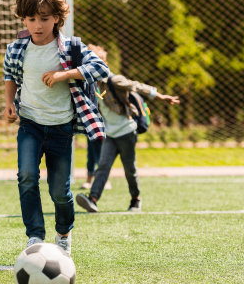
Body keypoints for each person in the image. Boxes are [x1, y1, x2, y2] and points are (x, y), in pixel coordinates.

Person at [3, 0, 110, 255]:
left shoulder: (71, 47)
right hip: (30, 124)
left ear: (57, 18)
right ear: (24, 19)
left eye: (44, 18)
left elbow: (100, 68)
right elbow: (9, 75)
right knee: (26, 176)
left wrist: (65, 74)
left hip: (61, 127)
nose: (37, 25)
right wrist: (8, 104)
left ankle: (63, 233)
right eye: (31, 19)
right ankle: (35, 236)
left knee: (60, 191)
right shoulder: (17, 48)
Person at [76, 45, 180, 213]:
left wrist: (161, 96)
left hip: (126, 131)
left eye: (95, 63)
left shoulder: (114, 80)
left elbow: (137, 86)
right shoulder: (93, 85)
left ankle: (135, 199)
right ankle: (92, 199)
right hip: (110, 134)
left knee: (129, 169)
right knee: (103, 166)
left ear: (104, 64)